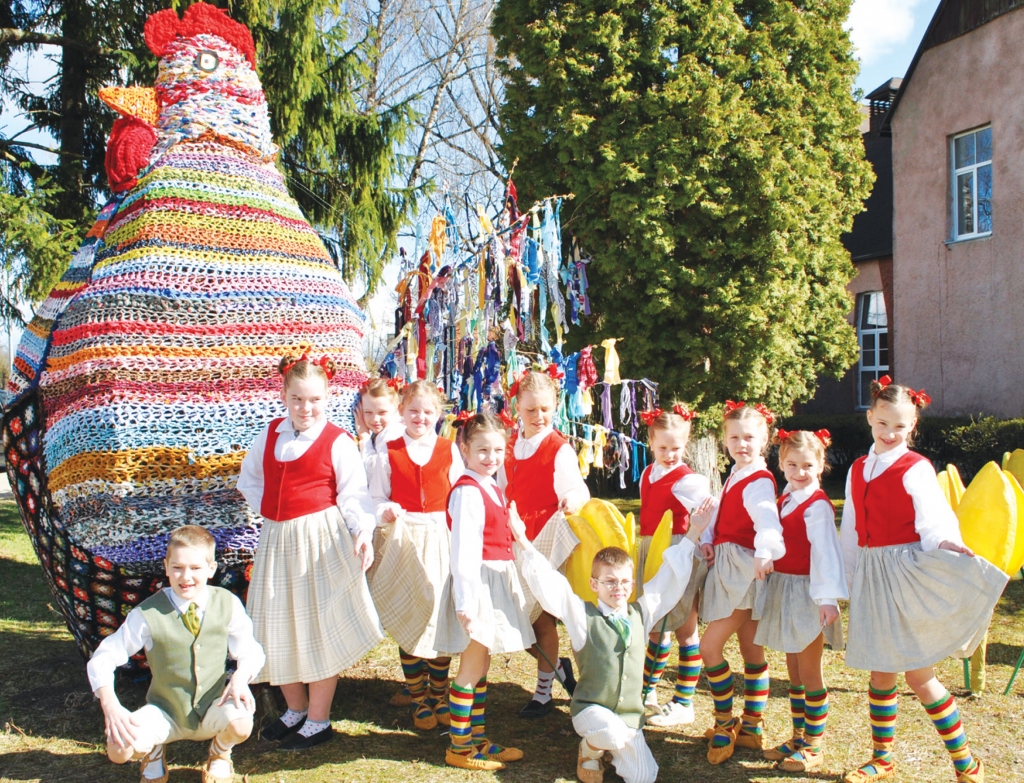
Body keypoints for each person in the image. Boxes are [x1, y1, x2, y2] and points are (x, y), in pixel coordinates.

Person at [839, 377, 1006, 783]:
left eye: (900, 426)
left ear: (912, 424)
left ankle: (966, 761)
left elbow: (933, 518)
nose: (890, 433)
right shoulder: (858, 468)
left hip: (905, 571)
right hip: (873, 573)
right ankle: (883, 758)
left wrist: (948, 543)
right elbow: (850, 527)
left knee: (919, 674)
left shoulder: (916, 467)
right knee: (880, 672)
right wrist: (846, 578)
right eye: (883, 424)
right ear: (870, 419)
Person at [238, 353, 381, 751]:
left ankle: (319, 718)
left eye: (315, 399)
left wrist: (363, 533)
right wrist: (272, 514)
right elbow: (250, 481)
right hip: (278, 540)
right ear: (283, 395)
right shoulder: (269, 434)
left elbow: (354, 495)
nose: (306, 408)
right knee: (276, 622)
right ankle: (295, 709)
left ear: (328, 396)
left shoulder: (336, 441)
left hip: (320, 541)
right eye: (298, 399)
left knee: (319, 625)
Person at [514, 503, 713, 783]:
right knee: (611, 733)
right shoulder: (583, 616)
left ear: (632, 584)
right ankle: (590, 749)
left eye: (623, 582)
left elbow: (667, 580)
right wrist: (523, 541)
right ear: (594, 585)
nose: (617, 588)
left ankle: (614, 748)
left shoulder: (641, 613)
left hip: (629, 719)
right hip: (591, 712)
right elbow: (552, 586)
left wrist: (694, 530)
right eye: (609, 582)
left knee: (644, 776)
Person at [87, 525, 265, 783]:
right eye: (178, 568)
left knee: (242, 723)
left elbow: (251, 650)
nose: (186, 577)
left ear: (211, 569)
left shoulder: (227, 603)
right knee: (118, 751)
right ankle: (154, 750)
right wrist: (110, 705)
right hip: (164, 711)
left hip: (213, 707)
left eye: (195, 568)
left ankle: (220, 753)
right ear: (166, 566)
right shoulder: (147, 613)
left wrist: (240, 677)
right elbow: (103, 657)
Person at [435, 412, 536, 771]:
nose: (491, 457)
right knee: (471, 666)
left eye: (498, 450)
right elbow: (464, 552)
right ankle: (460, 748)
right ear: (464, 448)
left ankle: (477, 738)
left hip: (493, 580)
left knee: (482, 665)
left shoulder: (490, 484)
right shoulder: (467, 491)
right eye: (482, 450)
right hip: (478, 585)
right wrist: (467, 602)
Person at [369, 380, 464, 731]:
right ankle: (418, 696)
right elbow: (376, 498)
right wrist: (387, 511)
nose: (420, 417)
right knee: (410, 613)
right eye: (413, 411)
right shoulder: (388, 450)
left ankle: (439, 693)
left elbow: (458, 495)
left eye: (427, 412)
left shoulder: (448, 450)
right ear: (401, 412)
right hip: (405, 537)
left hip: (440, 536)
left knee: (439, 614)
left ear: (438, 415)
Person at [754, 428, 846, 773]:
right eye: (792, 464)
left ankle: (815, 744)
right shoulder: (786, 497)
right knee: (792, 669)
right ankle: (798, 736)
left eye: (808, 464)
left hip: (809, 591)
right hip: (786, 587)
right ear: (781, 463)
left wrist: (826, 599)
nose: (800, 472)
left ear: (821, 464)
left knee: (809, 671)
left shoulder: (817, 505)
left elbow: (825, 553)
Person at [698, 401, 785, 765]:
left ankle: (724, 719)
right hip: (733, 565)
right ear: (724, 440)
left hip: (744, 570)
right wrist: (709, 536)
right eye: (734, 437)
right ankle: (751, 726)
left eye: (749, 437)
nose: (741, 444)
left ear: (765, 439)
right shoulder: (736, 473)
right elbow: (726, 515)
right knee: (752, 651)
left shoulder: (758, 480)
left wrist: (766, 550)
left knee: (709, 647)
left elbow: (767, 518)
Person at [500, 368, 589, 718]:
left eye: (546, 409)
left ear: (555, 406)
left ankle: (543, 693)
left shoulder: (558, 449)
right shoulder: (509, 444)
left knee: (540, 621)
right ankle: (558, 667)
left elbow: (575, 488)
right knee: (512, 620)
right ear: (517, 407)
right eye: (531, 409)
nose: (539, 416)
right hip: (512, 539)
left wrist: (572, 499)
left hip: (543, 540)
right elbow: (501, 486)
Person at [633, 405, 714, 728]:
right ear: (651, 441)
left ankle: (684, 700)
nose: (669, 454)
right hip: (652, 552)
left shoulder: (688, 479)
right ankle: (647, 691)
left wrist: (705, 539)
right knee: (654, 622)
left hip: (681, 549)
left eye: (676, 448)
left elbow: (706, 511)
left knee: (685, 624)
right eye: (663, 447)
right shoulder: (648, 473)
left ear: (686, 444)